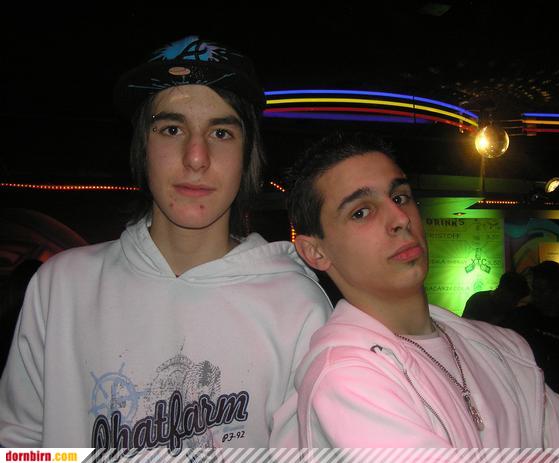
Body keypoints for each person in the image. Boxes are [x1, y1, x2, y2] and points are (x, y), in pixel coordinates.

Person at [0, 36, 331, 449]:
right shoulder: (61, 287)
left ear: (248, 156)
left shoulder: (298, 306)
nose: (196, 157)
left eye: (221, 132)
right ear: (143, 146)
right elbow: (20, 445)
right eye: (172, 129)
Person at [285, 131, 559, 448]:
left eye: (400, 197)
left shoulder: (503, 347)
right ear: (316, 251)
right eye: (361, 212)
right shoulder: (345, 377)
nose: (400, 218)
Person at [502, 260, 559, 399]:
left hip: (558, 401)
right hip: (521, 395)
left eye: (541, 290)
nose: (535, 294)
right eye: (534, 288)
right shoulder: (520, 317)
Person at [462, 270, 529, 326]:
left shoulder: (477, 299)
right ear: (503, 291)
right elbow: (466, 327)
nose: (515, 304)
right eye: (514, 298)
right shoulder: (477, 301)